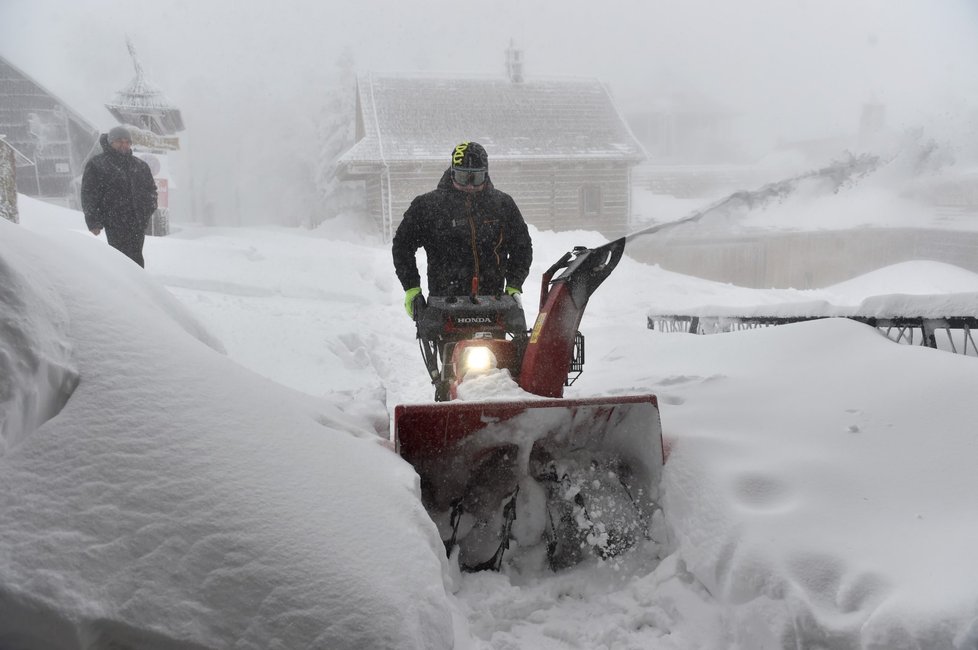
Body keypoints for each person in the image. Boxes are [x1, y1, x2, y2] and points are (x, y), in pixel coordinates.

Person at [392, 141, 532, 318]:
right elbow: (402, 245)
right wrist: (412, 289)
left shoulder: (502, 205)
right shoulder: (428, 206)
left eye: (476, 178)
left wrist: (514, 284)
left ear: (486, 175)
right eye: (463, 177)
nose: (470, 185)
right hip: (444, 307)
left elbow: (522, 246)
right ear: (452, 174)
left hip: (493, 305)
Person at [81, 125, 158, 267]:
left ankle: (139, 287)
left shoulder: (140, 166)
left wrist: (146, 211)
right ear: (111, 142)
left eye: (127, 142)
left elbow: (151, 191)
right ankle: (122, 287)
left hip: (137, 223)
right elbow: (89, 194)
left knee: (137, 260)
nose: (124, 145)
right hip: (114, 223)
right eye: (119, 141)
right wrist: (93, 221)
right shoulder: (97, 164)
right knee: (119, 261)